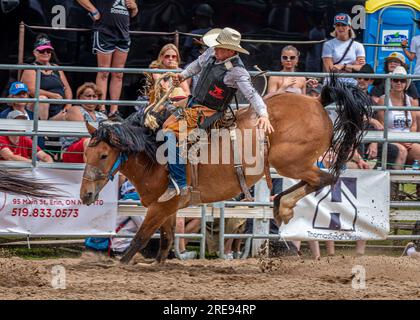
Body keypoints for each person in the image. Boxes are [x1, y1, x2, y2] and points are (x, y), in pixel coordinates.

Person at [158, 27, 274, 202]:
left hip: (209, 112)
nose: (215, 49)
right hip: (193, 103)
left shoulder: (237, 72)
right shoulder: (213, 53)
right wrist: (182, 76)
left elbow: (251, 94)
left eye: (220, 47)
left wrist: (263, 114)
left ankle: (179, 184)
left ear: (231, 51)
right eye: (217, 46)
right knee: (162, 122)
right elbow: (197, 64)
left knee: (169, 134)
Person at [76, 0, 139, 116]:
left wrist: (135, 8)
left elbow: (132, 14)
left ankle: (114, 111)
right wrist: (93, 10)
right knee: (104, 72)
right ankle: (102, 108)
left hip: (123, 32)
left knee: (118, 74)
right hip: (105, 31)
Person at [376, 66, 420, 170]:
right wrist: (400, 141)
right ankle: (394, 184)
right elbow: (382, 126)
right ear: (391, 82)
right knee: (401, 151)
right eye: (395, 80)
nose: (399, 83)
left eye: (402, 80)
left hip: (407, 139)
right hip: (389, 139)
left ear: (406, 83)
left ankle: (417, 185)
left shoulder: (411, 101)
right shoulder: (383, 100)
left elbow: (413, 125)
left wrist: (409, 139)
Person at [20, 34, 73, 120]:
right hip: (37, 108)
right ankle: (42, 131)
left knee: (75, 111)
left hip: (58, 111)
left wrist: (68, 105)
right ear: (35, 53)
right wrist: (52, 95)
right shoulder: (30, 69)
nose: (45, 53)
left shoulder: (56, 68)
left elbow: (67, 88)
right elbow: (32, 90)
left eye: (48, 51)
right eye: (42, 51)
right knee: (42, 99)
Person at [61, 82, 107, 163]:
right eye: (88, 96)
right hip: (73, 151)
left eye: (94, 96)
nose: (91, 99)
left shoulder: (102, 116)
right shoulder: (75, 109)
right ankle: (89, 174)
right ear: (80, 97)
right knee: (88, 141)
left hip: (97, 148)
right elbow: (83, 134)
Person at [322, 13, 366, 85]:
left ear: (349, 27)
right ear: (335, 27)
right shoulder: (328, 44)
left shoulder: (358, 46)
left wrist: (342, 66)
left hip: (351, 83)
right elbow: (330, 69)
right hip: (333, 82)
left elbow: (361, 68)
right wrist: (352, 67)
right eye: (338, 25)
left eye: (343, 25)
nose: (340, 28)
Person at [401, 17, 420, 95]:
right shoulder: (415, 39)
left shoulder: (415, 39)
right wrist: (404, 48)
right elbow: (411, 58)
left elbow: (411, 58)